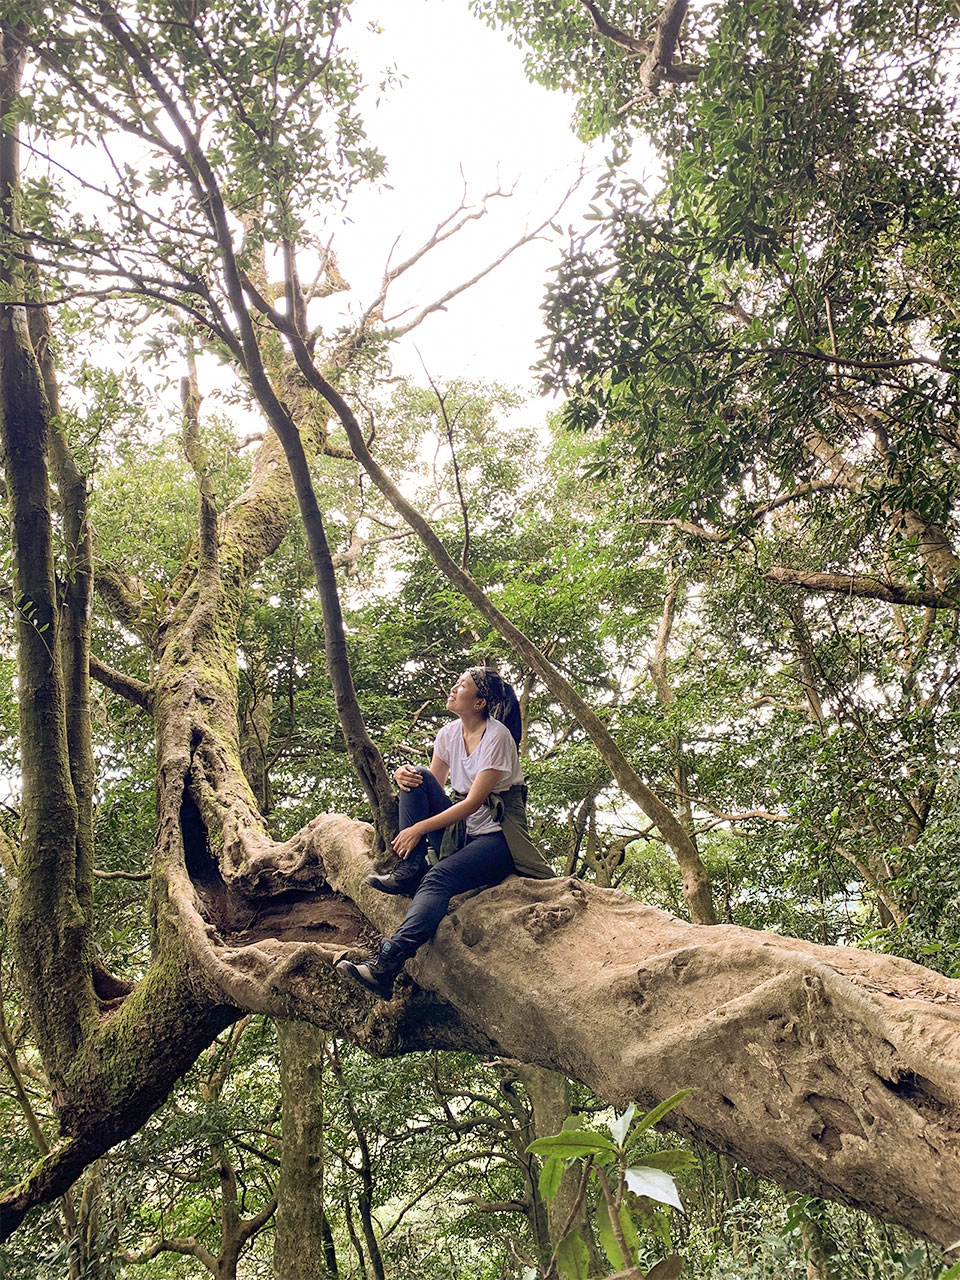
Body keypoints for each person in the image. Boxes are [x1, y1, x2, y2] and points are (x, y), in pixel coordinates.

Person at [336, 667, 553, 1000]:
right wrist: (402, 778)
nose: (454, 688)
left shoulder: (497, 738)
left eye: (462, 685)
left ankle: (385, 966)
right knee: (417, 775)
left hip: (497, 840)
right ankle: (409, 869)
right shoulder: (449, 733)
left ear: (479, 701)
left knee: (438, 880)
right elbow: (431, 788)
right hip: (460, 834)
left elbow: (474, 803)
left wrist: (418, 829)